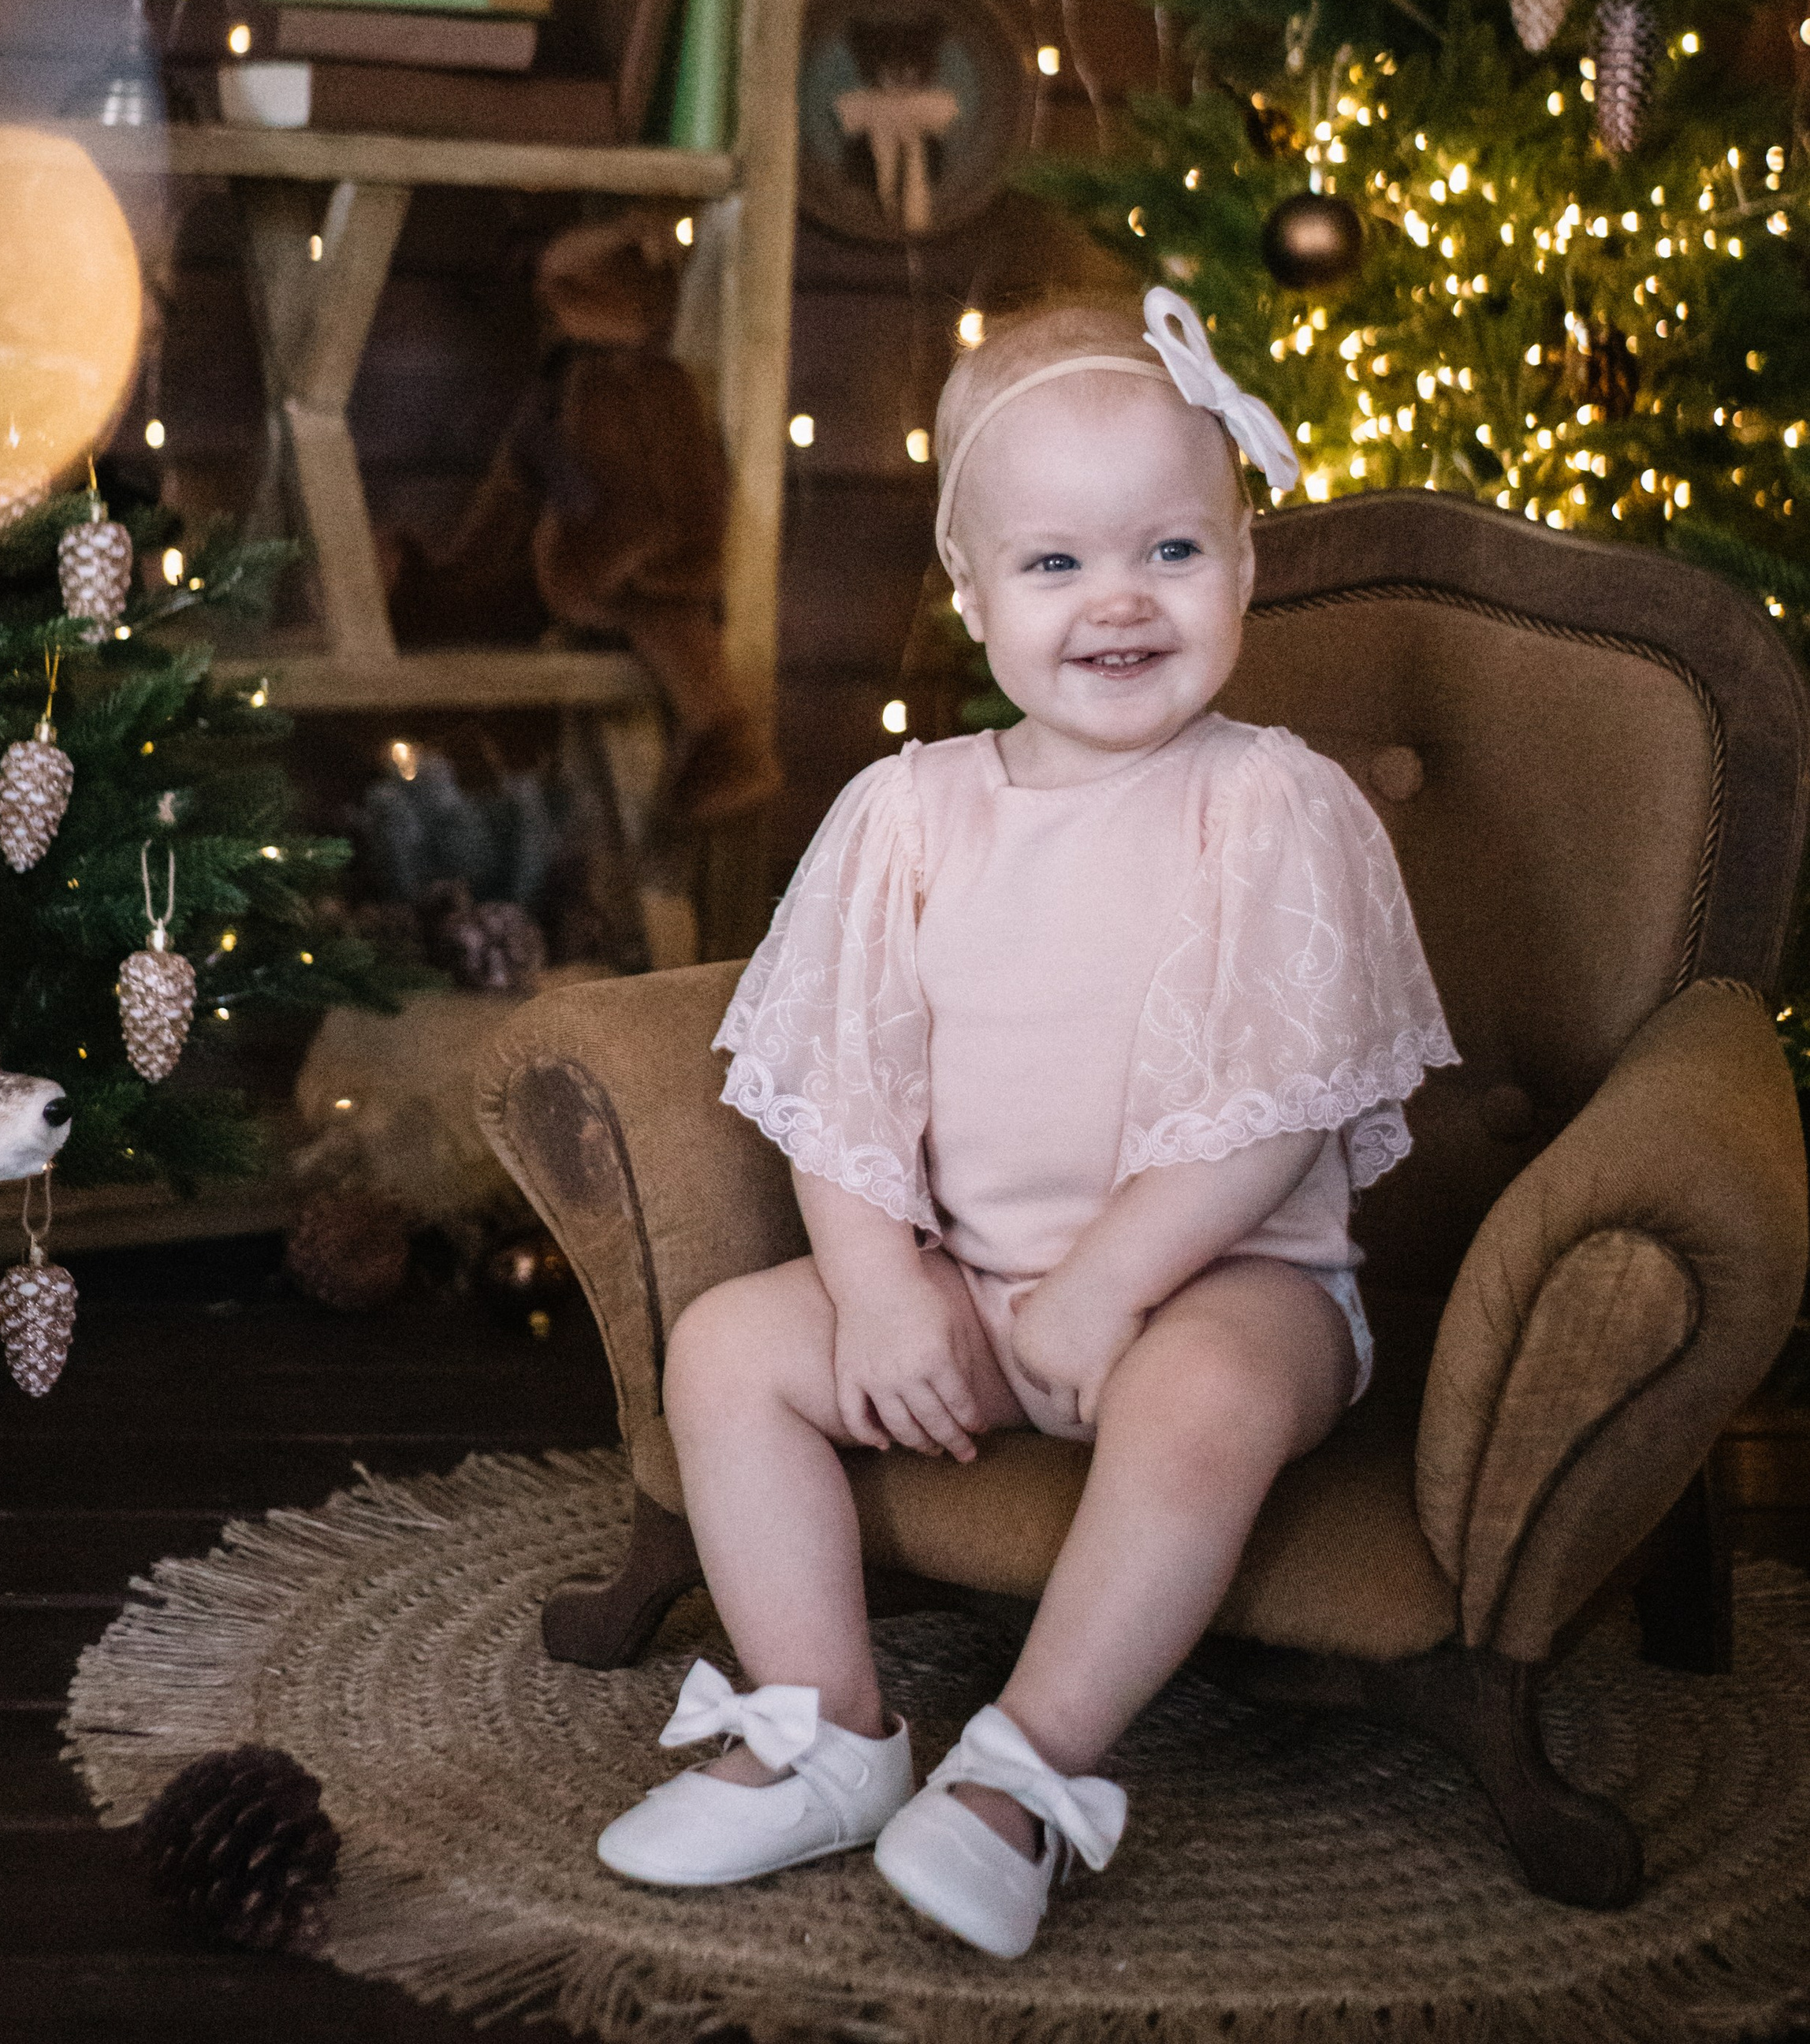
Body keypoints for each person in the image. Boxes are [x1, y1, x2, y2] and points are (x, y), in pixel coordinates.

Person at [597, 290, 1458, 1958]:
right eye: (1055, 563)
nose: (1118, 600)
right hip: (985, 1288)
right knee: (726, 1350)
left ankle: (1025, 1769)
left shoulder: (1271, 801)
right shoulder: (907, 814)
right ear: (971, 589)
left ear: (1244, 564)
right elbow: (836, 1087)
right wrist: (877, 1290)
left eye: (1171, 551)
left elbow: (1278, 1109)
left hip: (1233, 1285)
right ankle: (823, 1727)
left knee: (1202, 1391)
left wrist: (1113, 1284)